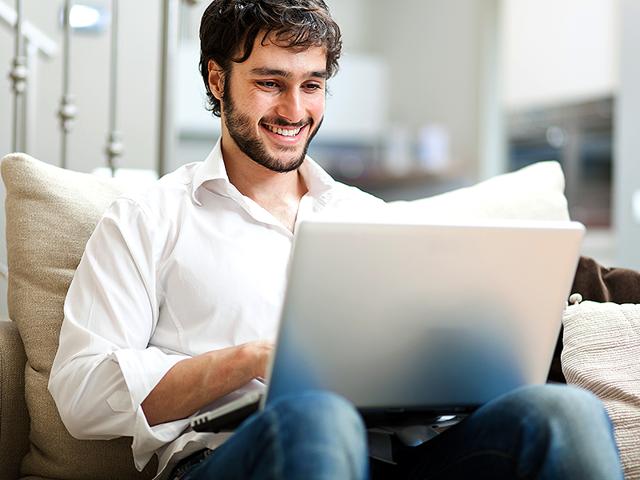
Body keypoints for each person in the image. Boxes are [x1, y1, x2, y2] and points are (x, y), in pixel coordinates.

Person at [49, 1, 624, 479]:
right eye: (270, 83)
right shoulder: (147, 218)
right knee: (318, 416)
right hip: (237, 456)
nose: (294, 110)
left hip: (394, 456)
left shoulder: (369, 218)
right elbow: (80, 393)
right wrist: (248, 362)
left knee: (562, 413)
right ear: (217, 78)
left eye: (312, 85)